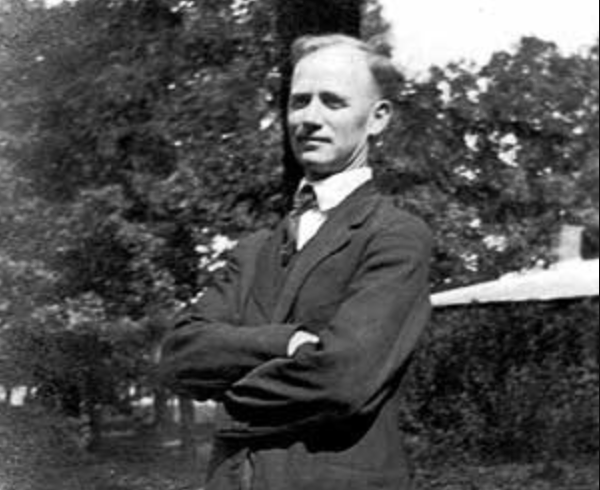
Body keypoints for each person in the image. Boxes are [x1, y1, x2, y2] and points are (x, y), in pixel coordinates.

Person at [158, 34, 433, 490]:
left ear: (378, 117)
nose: (310, 118)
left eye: (333, 102)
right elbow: (178, 357)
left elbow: (342, 382)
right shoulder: (255, 249)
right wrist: (285, 344)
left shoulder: (395, 236)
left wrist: (227, 401)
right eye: (299, 101)